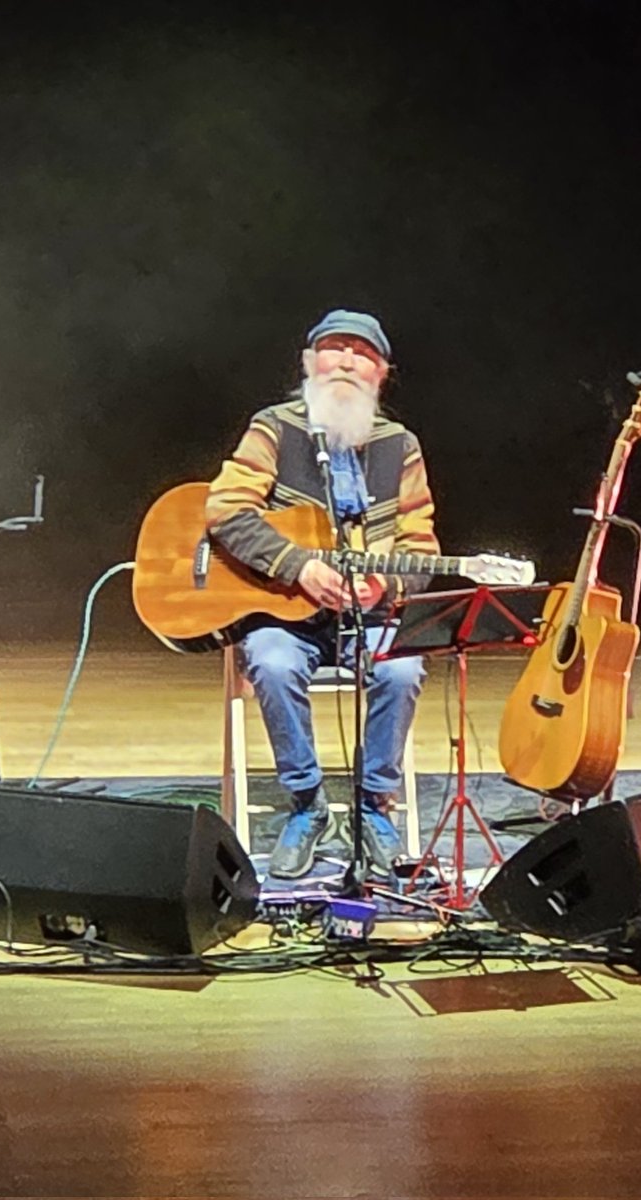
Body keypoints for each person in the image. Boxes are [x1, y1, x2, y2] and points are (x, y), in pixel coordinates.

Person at [205, 309, 438, 879]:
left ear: (382, 374)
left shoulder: (399, 445)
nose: (347, 362)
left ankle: (372, 805)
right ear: (310, 363)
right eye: (334, 349)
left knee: (404, 671)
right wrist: (299, 568)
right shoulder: (274, 426)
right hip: (283, 613)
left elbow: (421, 545)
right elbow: (225, 509)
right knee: (273, 663)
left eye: (364, 354)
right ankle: (307, 804)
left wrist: (381, 582)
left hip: (369, 615)